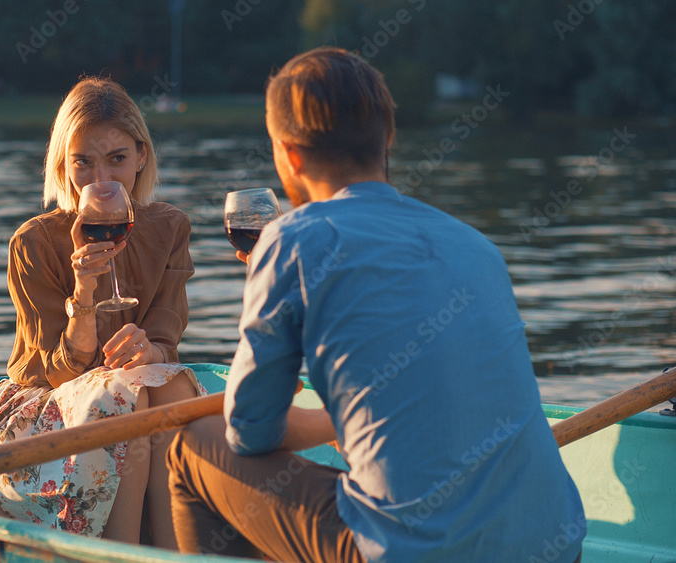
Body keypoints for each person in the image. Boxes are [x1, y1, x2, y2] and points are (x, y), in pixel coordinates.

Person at [167, 47, 586, 562]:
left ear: (289, 156)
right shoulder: (476, 245)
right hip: (557, 544)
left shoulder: (290, 242)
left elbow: (249, 432)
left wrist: (324, 416)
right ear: (387, 138)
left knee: (194, 446)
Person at [0, 76, 201, 549]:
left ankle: (170, 552)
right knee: (127, 394)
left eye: (117, 159)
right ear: (64, 165)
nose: (101, 182)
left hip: (130, 396)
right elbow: (57, 375)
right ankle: (117, 553)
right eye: (83, 163)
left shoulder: (170, 227)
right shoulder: (34, 242)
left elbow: (166, 338)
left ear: (141, 156)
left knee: (171, 386)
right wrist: (83, 292)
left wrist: (149, 349)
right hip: (42, 412)